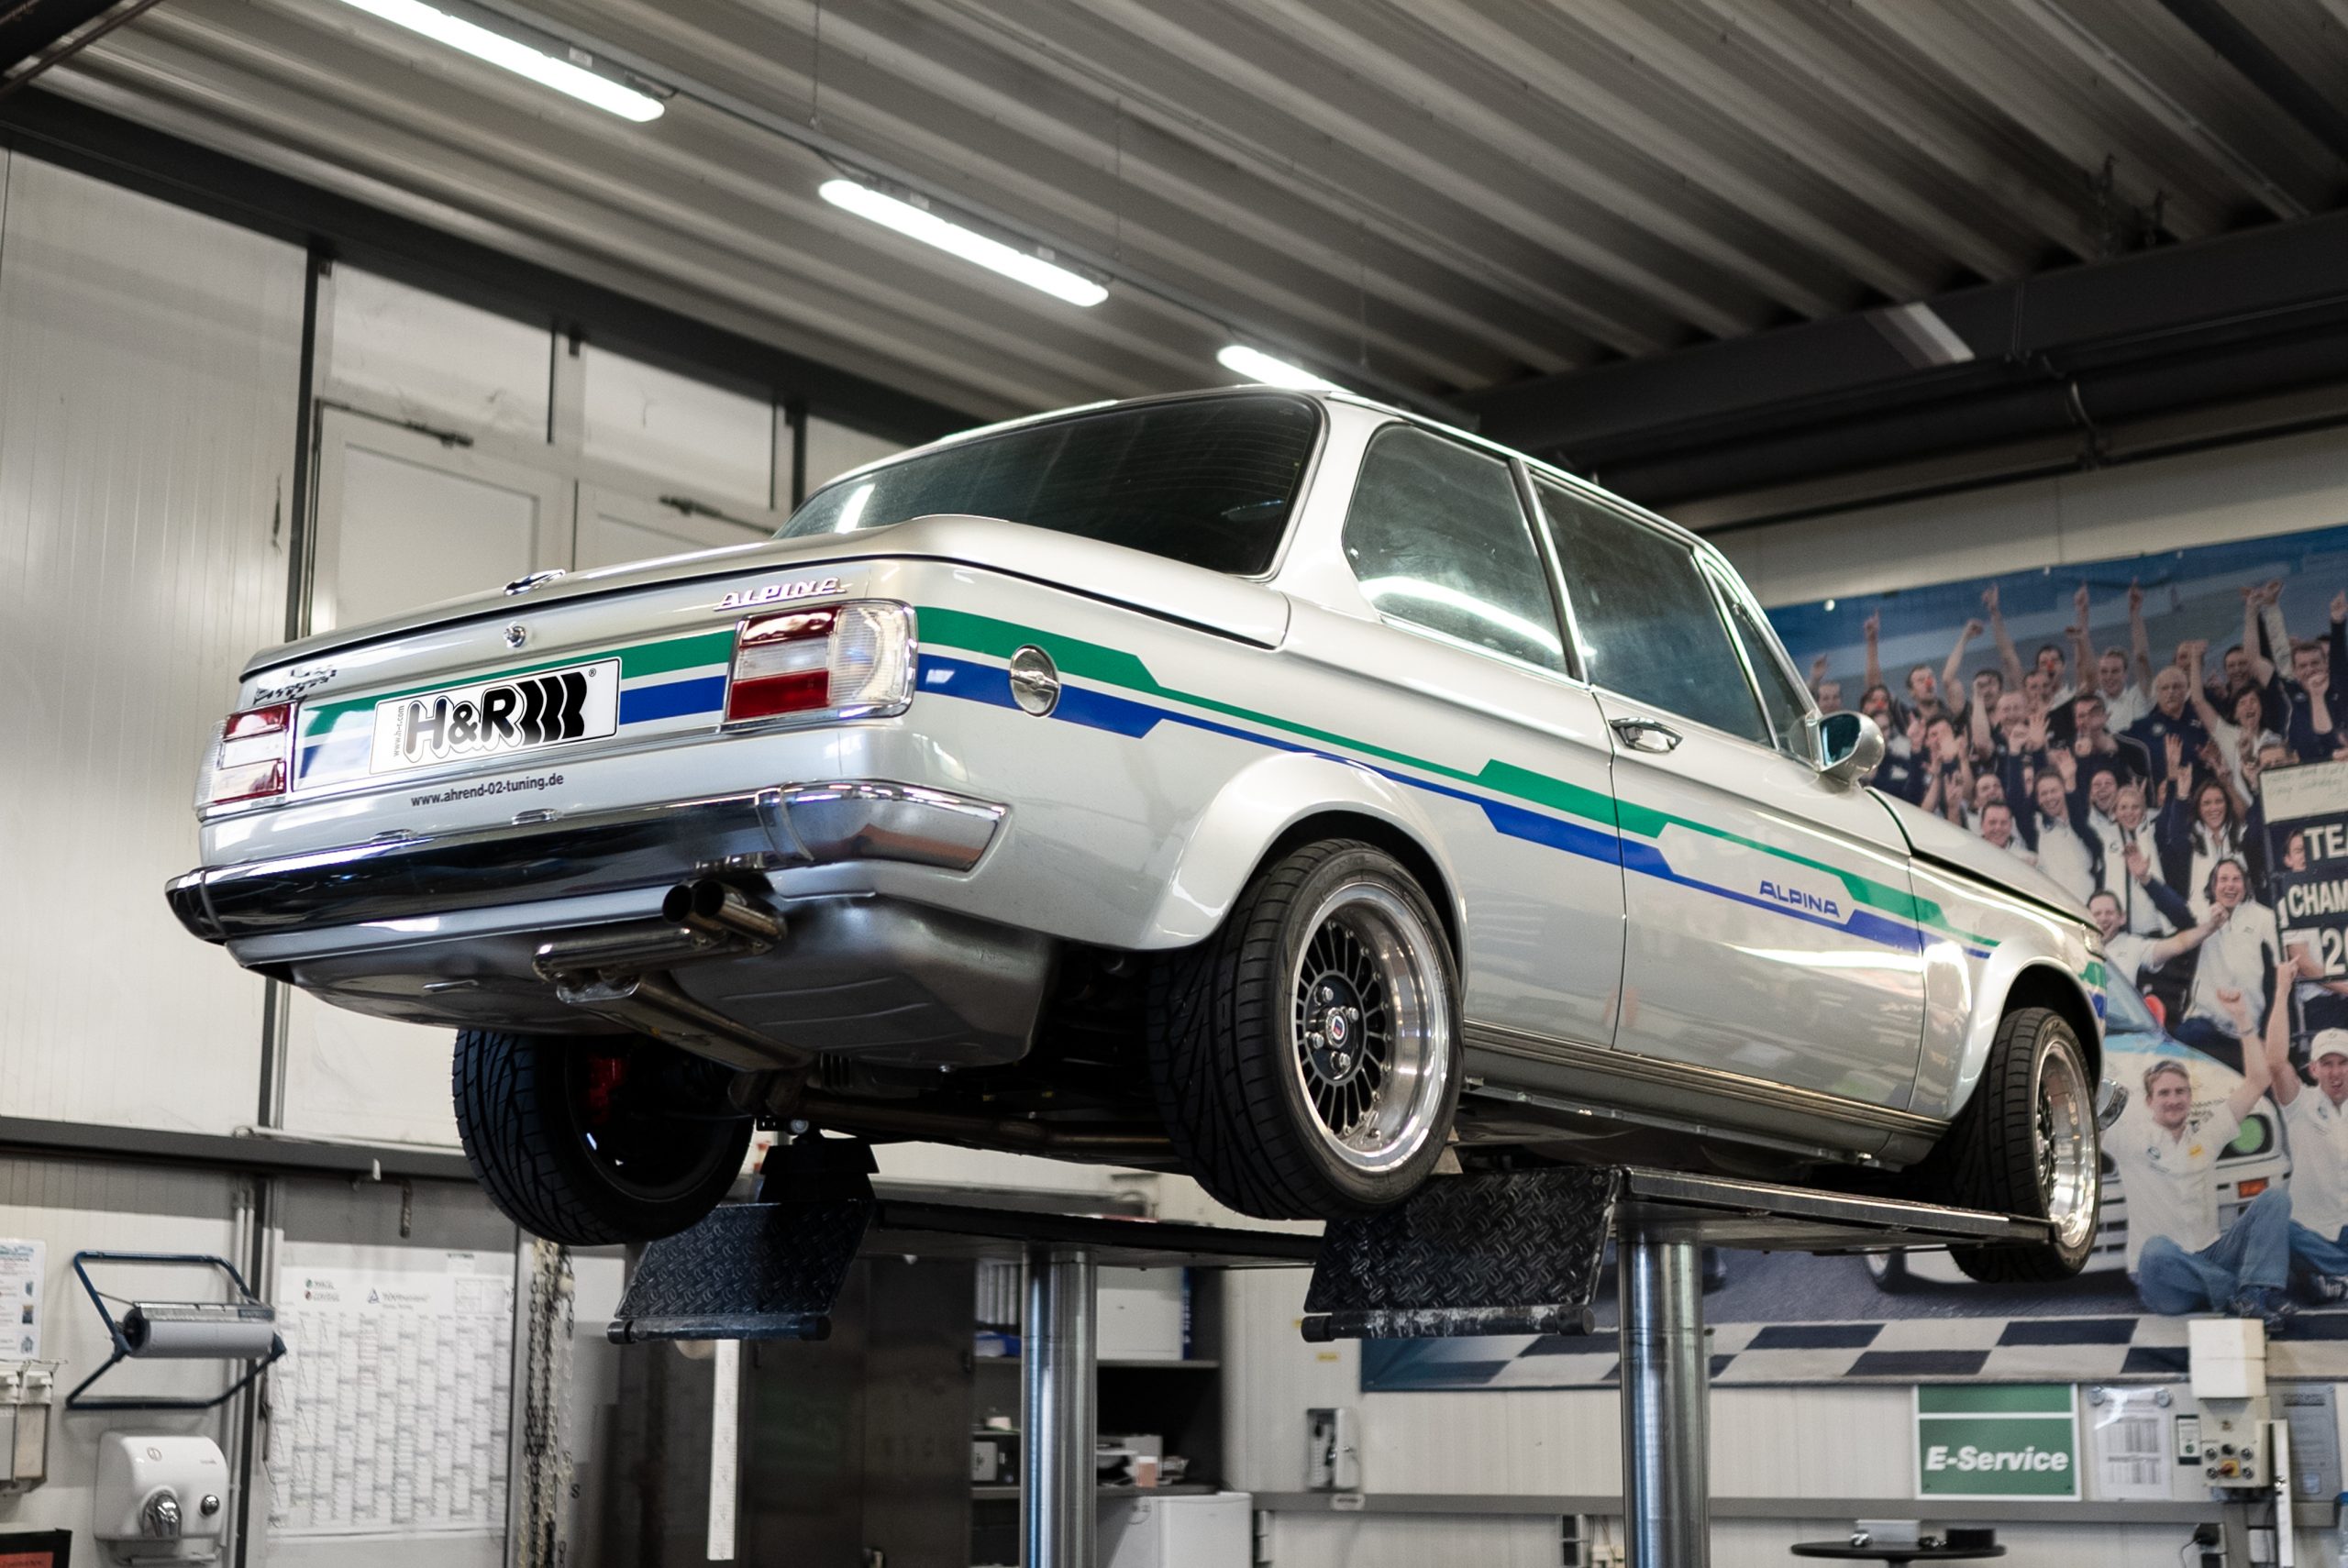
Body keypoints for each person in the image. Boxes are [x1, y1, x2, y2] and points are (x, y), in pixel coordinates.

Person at [2118, 983, 2295, 1332]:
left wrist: (2242, 1018)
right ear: (2150, 1101)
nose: (2173, 1100)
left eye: (2180, 1092)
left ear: (2190, 1096)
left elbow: (2258, 1080)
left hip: (2211, 1254)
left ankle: (2251, 1294)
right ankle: (2242, 1294)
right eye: (2164, 1093)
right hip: (2166, 1280)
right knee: (2155, 1251)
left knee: (2274, 1200)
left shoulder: (2206, 1135)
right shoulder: (2129, 1138)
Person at [2261, 963, 2348, 1303]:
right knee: (2277, 1224)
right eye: (2327, 1063)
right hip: (2312, 1232)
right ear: (2313, 1069)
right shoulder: (2301, 1103)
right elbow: (2275, 1062)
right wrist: (2283, 989)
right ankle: (2335, 1273)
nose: (2336, 1072)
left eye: (2343, 1062)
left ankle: (2331, 1277)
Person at [2174, 858, 2281, 1073]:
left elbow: (2278, 969)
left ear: (2245, 885)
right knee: (2187, 1037)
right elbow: (2174, 911)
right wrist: (2146, 880)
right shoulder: (2201, 913)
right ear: (2213, 887)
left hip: (2249, 1026)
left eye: (2236, 879)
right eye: (2223, 879)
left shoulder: (2264, 917)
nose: (2230, 885)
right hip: (2207, 1022)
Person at [2089, 888, 2215, 994]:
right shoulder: (2078, 947)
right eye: (2097, 914)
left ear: (2122, 918)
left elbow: (2179, 944)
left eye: (2109, 913)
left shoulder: (2134, 946)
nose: (2103, 918)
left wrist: (2211, 926)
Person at [2023, 767, 2098, 904]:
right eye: (2044, 793)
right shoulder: (2037, 827)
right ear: (2038, 799)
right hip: (2057, 908)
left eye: (2054, 791)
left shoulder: (2088, 822)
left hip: (2089, 907)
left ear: (2064, 790)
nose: (2049, 797)